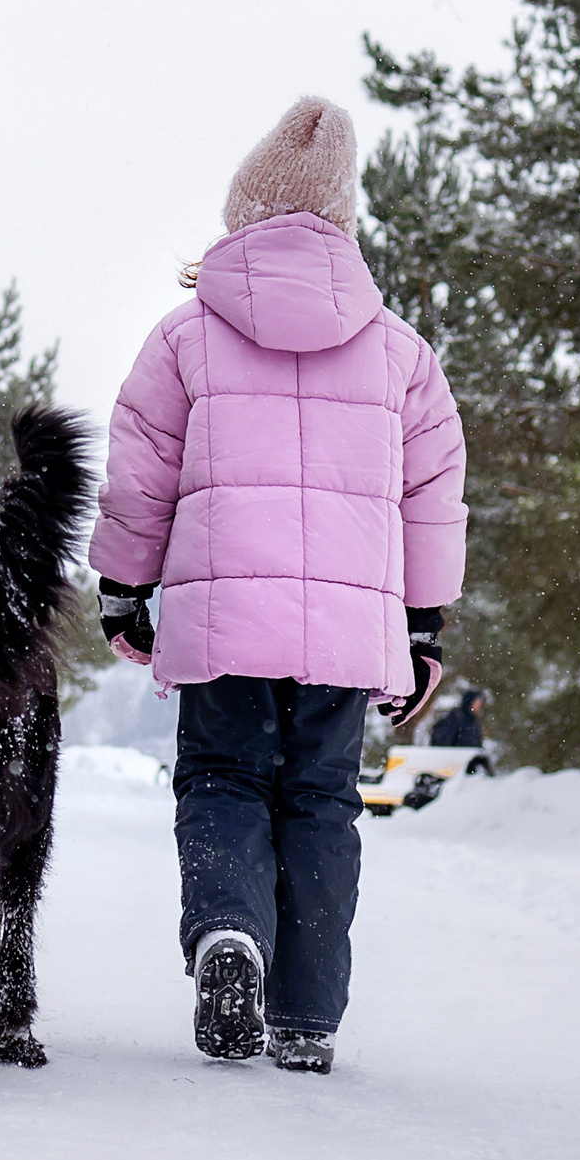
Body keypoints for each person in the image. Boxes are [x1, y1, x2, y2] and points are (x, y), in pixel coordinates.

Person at [89, 97, 466, 1075]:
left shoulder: (183, 338)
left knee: (223, 780)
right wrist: (421, 627)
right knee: (321, 804)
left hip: (225, 623)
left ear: (243, 212)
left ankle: (227, 933)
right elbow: (432, 498)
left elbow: (140, 477)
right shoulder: (402, 354)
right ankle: (304, 1016)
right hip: (346, 637)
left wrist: (125, 590)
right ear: (343, 221)